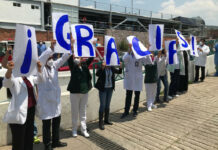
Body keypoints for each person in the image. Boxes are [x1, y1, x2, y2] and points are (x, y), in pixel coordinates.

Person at [2, 45, 41, 143]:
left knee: (28, 139)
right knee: (19, 141)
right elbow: (6, 83)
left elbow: (40, 80)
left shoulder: (29, 75)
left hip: (31, 110)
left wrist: (39, 69)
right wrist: (9, 70)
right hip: (19, 112)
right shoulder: (14, 75)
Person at [37, 41, 69, 150]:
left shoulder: (54, 65)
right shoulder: (39, 68)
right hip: (46, 102)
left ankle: (56, 141)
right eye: (49, 56)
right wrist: (51, 47)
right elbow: (41, 58)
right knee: (46, 125)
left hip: (55, 101)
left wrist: (71, 49)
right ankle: (47, 144)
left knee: (56, 122)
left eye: (52, 56)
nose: (51, 58)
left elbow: (64, 58)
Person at [121, 44, 151, 118]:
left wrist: (146, 52)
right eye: (132, 47)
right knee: (128, 95)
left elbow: (148, 62)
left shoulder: (140, 55)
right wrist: (129, 52)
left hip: (137, 78)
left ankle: (135, 110)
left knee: (137, 95)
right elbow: (124, 60)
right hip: (130, 78)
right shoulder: (127, 54)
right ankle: (126, 111)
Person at [67, 55, 94, 138]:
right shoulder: (73, 67)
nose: (77, 59)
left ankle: (83, 129)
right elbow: (69, 59)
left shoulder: (85, 65)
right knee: (75, 112)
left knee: (83, 112)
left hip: (84, 92)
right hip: (75, 93)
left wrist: (92, 47)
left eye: (79, 57)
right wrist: (71, 48)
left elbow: (91, 58)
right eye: (76, 58)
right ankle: (74, 129)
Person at [95, 61, 122, 130]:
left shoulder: (112, 68)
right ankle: (100, 123)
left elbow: (119, 72)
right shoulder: (102, 67)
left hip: (110, 88)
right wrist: (102, 67)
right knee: (102, 105)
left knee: (107, 105)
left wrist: (121, 67)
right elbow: (97, 74)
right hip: (103, 89)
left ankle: (106, 120)